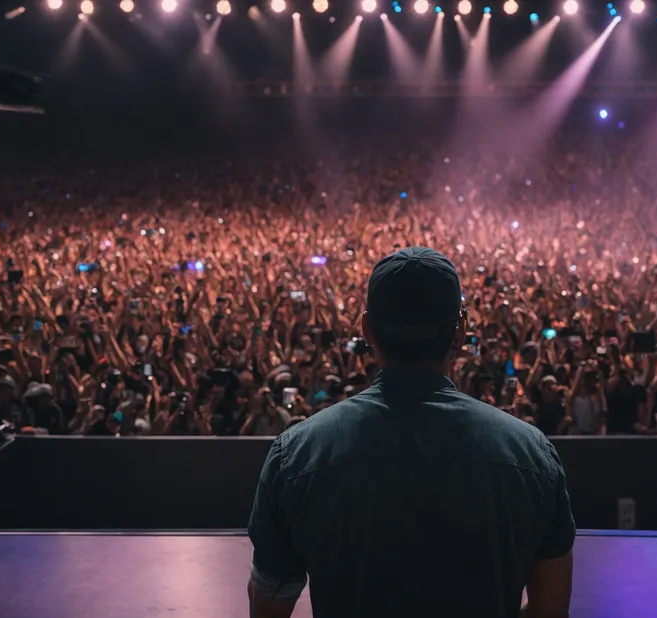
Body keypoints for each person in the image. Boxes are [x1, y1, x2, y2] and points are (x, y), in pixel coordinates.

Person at [247, 247, 576, 618]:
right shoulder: (533, 455)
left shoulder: (297, 455)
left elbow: (268, 609)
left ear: (367, 329)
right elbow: (551, 610)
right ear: (460, 332)